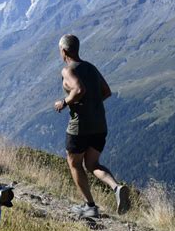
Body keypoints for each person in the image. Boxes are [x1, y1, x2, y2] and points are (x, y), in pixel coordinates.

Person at [54, 34, 130, 219]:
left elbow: (79, 89)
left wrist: (64, 102)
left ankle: (90, 206)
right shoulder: (91, 67)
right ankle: (116, 187)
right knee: (92, 164)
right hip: (99, 124)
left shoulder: (68, 70)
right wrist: (92, 103)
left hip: (80, 127)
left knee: (74, 163)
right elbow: (106, 91)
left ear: (64, 51)